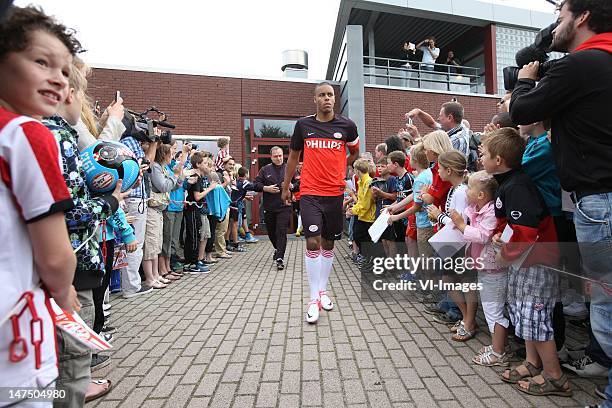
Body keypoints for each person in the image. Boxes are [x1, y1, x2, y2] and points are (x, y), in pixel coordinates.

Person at [509, 1, 612, 401]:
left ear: (582, 17)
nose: (556, 26)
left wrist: (525, 77)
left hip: (600, 201)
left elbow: (522, 109)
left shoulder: (583, 64)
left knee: (605, 303)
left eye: (561, 16)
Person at [0, 6, 78, 404]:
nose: (57, 79)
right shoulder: (26, 135)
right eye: (41, 61)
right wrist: (65, 295)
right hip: (13, 345)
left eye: (65, 72)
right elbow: (54, 255)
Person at [44, 59, 124, 405]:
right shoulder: (56, 135)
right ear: (69, 94)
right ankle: (74, 390)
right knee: (73, 330)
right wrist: (108, 203)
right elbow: (69, 209)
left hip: (59, 257)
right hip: (71, 255)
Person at [482, 128, 570, 397]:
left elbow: (526, 232)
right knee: (523, 315)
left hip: (537, 262)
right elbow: (510, 223)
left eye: (483, 154)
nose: (480, 157)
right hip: (523, 263)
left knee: (535, 316)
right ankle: (533, 363)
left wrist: (503, 254)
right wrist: (500, 235)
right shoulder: (508, 184)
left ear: (498, 160)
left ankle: (555, 377)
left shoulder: (518, 186)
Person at [281, 82, 360, 324]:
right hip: (310, 192)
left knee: (328, 242)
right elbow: (293, 156)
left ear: (334, 99)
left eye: (330, 95)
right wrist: (286, 186)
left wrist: (341, 167)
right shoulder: (303, 125)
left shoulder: (347, 125)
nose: (326, 98)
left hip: (334, 193)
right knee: (312, 241)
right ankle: (313, 297)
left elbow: (355, 152)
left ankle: (323, 290)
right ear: (314, 99)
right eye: (322, 95)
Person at [449, 172, 506, 366]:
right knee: (491, 308)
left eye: (470, 188)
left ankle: (499, 352)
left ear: (481, 195)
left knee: (493, 311)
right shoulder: (476, 208)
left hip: (494, 270)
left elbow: (482, 236)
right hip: (483, 267)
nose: (467, 191)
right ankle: (496, 346)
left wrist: (461, 225)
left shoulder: (490, 212)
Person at [425, 151, 473, 342]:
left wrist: (438, 215)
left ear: (449, 170)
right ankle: (466, 317)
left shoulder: (460, 191)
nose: (438, 172)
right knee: (450, 279)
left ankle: (468, 320)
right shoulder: (457, 189)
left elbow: (459, 222)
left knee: (461, 281)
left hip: (458, 243)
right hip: (452, 241)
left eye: (440, 169)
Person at [253, 146, 292, 270]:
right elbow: (256, 184)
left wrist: (292, 186)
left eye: (280, 155)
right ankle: (277, 248)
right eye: (276, 156)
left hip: (284, 206)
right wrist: (266, 188)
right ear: (271, 157)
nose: (279, 158)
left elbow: (299, 183)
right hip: (269, 207)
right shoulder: (265, 169)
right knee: (271, 232)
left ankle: (280, 258)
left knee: (281, 231)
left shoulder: (289, 168)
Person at [184, 152, 217, 273]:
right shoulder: (196, 178)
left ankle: (195, 261)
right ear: (197, 164)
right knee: (193, 236)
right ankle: (192, 263)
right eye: (204, 163)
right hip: (192, 209)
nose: (206, 165)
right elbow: (197, 196)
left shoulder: (200, 177)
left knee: (197, 235)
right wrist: (210, 188)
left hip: (197, 209)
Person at [346, 158, 376, 270]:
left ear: (358, 170)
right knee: (357, 236)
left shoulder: (368, 182)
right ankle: (366, 258)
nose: (354, 172)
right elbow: (360, 200)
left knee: (364, 239)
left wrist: (353, 211)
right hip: (361, 216)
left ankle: (370, 261)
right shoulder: (361, 182)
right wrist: (353, 209)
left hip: (368, 217)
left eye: (354, 169)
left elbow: (366, 203)